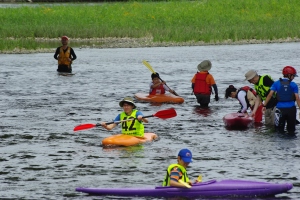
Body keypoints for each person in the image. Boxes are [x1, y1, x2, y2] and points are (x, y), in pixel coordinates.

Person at [263, 66, 300, 135]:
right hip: (291, 109)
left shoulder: (276, 83)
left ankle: (280, 144)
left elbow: (270, 95)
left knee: (279, 130)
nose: (294, 77)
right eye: (293, 75)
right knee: (291, 130)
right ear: (289, 75)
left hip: (280, 109)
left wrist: (264, 105)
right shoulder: (293, 85)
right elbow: (297, 98)